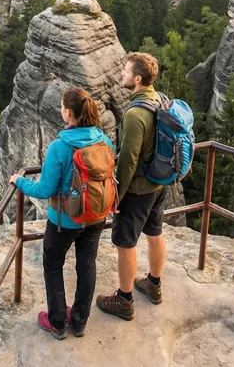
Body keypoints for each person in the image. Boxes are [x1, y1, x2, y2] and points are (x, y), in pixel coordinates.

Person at [9, 86, 114, 340]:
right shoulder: (104, 140)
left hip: (64, 220)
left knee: (53, 264)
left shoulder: (59, 147)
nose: (60, 110)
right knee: (86, 265)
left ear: (68, 113)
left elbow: (45, 189)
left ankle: (56, 322)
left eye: (62, 107)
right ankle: (79, 321)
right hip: (96, 216)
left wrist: (19, 181)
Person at [97, 52, 165, 321]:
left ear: (137, 79)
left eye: (125, 71)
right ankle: (154, 284)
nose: (121, 75)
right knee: (155, 232)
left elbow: (127, 160)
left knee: (125, 243)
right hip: (158, 183)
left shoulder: (136, 114)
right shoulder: (158, 99)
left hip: (138, 189)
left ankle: (124, 300)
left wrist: (116, 195)